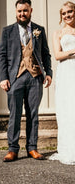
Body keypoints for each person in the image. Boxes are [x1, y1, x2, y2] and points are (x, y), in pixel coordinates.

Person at [0, 0, 53, 162]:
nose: (22, 14)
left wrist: (48, 73)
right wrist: (3, 77)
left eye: (25, 11)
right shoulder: (7, 31)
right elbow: (1, 56)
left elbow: (46, 54)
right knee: (14, 114)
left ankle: (32, 148)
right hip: (15, 78)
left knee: (33, 114)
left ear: (31, 11)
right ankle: (13, 149)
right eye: (19, 11)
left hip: (35, 77)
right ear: (16, 12)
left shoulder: (39, 30)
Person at [49, 1, 75, 165]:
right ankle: (69, 149)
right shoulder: (58, 33)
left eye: (70, 12)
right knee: (68, 109)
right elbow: (58, 55)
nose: (67, 15)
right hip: (67, 72)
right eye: (64, 13)